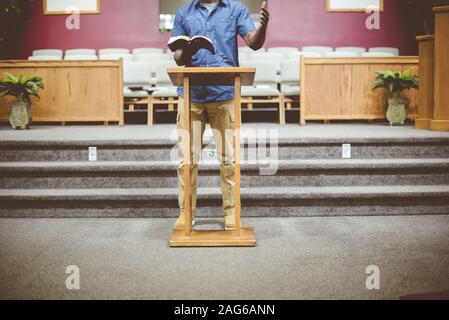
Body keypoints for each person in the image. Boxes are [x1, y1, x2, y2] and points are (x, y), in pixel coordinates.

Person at [172, 0, 269, 230]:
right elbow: (177, 57)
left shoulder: (236, 9)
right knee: (187, 159)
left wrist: (263, 27)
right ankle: (186, 213)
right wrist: (187, 51)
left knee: (229, 159)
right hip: (191, 95)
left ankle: (231, 213)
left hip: (225, 94)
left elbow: (253, 43)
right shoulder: (184, 13)